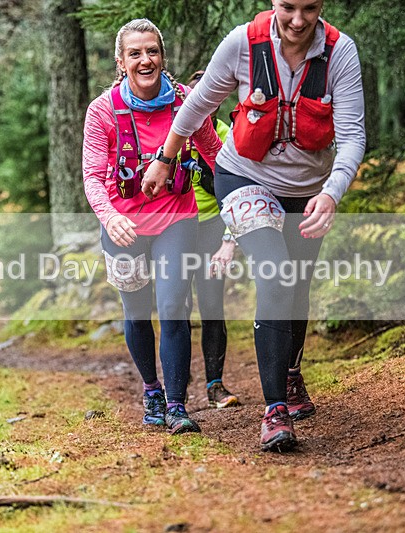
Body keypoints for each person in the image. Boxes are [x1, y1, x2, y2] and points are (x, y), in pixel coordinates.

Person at [142, 0, 365, 451]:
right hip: (245, 177)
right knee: (276, 273)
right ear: (272, 4)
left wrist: (331, 192)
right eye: (288, 7)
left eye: (309, 8)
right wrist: (165, 160)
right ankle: (275, 410)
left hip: (309, 189)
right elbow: (195, 106)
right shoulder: (243, 43)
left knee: (296, 285)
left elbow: (353, 134)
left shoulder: (340, 52)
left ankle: (291, 371)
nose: (298, 21)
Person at [82, 19, 222, 434]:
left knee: (174, 307)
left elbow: (213, 152)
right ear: (121, 62)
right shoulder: (102, 110)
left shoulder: (186, 102)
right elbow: (92, 175)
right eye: (135, 53)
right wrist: (110, 216)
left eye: (152, 51)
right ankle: (152, 390)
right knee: (136, 313)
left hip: (177, 217)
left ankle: (178, 405)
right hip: (123, 224)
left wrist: (239, 200)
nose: (146, 60)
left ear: (163, 55)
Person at [185, 70, 240, 409]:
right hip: (174, 229)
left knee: (211, 308)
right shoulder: (173, 134)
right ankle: (175, 386)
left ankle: (215, 384)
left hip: (211, 228)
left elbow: (233, 190)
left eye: (212, 98)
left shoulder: (226, 136)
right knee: (175, 308)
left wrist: (227, 239)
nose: (204, 104)